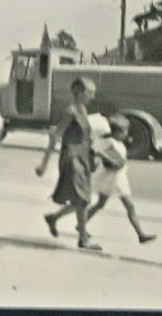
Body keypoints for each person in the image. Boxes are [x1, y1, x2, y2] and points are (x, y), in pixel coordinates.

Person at [42, 77, 101, 250]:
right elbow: (56, 134)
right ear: (79, 93)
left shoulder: (83, 110)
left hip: (83, 158)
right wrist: (44, 162)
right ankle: (83, 239)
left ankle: (53, 218)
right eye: (90, 92)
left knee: (79, 199)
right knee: (82, 199)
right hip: (72, 159)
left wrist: (93, 156)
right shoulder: (71, 112)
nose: (93, 96)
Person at [87, 114, 157, 244]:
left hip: (116, 178)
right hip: (114, 180)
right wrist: (108, 158)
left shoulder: (114, 142)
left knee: (100, 204)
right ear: (117, 132)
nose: (127, 134)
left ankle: (78, 224)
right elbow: (101, 155)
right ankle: (140, 234)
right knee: (129, 206)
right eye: (124, 131)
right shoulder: (109, 143)